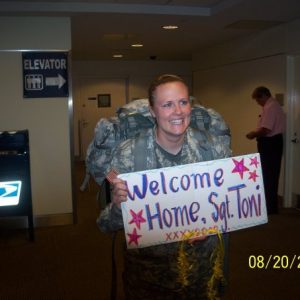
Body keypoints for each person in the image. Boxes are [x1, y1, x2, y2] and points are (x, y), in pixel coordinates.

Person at [97, 74, 232, 300]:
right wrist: (119, 207)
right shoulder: (128, 155)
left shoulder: (212, 148)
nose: (178, 111)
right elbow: (104, 224)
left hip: (202, 275)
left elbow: (234, 206)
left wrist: (212, 224)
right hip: (148, 279)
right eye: (167, 104)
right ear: (153, 111)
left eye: (183, 102)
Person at [246, 86, 286, 215]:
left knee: (268, 176)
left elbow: (266, 129)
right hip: (274, 143)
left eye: (258, 100)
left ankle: (269, 208)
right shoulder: (273, 105)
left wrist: (253, 134)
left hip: (270, 143)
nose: (258, 103)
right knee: (271, 175)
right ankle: (271, 206)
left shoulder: (270, 107)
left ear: (263, 95)